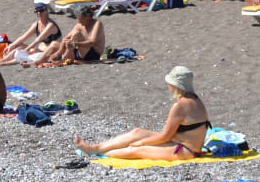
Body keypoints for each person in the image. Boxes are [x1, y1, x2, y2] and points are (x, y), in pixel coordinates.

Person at [73, 66, 209, 161]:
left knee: (136, 150)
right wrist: (141, 140)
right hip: (179, 142)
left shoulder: (179, 106)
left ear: (175, 86)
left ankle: (100, 154)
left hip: (186, 151)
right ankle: (96, 148)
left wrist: (142, 143)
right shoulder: (196, 100)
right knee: (137, 132)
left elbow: (165, 136)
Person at [0, 2, 62, 66]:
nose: (39, 13)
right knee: (19, 47)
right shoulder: (37, 24)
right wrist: (11, 46)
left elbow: (38, 40)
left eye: (41, 11)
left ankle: (3, 63)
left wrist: (26, 50)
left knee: (24, 54)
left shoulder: (50, 25)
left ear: (46, 11)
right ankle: (1, 61)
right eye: (37, 11)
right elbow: (24, 37)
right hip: (39, 50)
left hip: (52, 53)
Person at [38, 6, 104, 64]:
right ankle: (37, 62)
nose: (79, 22)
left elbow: (93, 42)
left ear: (88, 17)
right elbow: (66, 38)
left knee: (77, 34)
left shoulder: (97, 23)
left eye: (81, 19)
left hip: (92, 54)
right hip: (79, 53)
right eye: (78, 19)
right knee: (54, 44)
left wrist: (75, 44)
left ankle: (63, 59)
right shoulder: (79, 25)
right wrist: (59, 52)